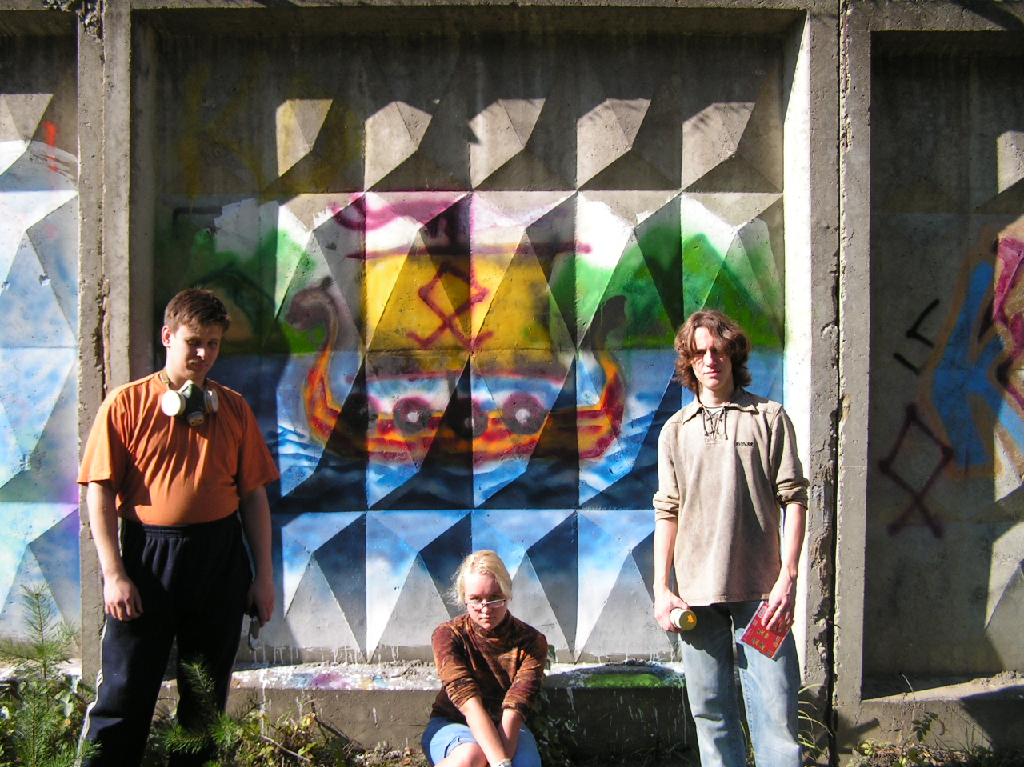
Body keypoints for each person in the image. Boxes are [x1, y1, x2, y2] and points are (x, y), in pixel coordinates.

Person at [78, 288, 279, 766]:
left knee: (204, 697)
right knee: (125, 690)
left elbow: (254, 497)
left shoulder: (233, 409)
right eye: (193, 341)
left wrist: (264, 577)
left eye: (213, 343)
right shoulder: (126, 404)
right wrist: (114, 574)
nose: (203, 353)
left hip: (219, 558)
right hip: (149, 559)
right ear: (167, 336)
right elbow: (98, 491)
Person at [652, 309, 808, 767]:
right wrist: (662, 587)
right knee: (711, 715)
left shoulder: (769, 417)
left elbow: (795, 498)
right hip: (695, 601)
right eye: (699, 352)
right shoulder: (675, 431)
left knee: (777, 715)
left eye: (718, 350)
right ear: (688, 361)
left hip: (763, 598)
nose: (710, 360)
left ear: (733, 354)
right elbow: (667, 511)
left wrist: (788, 577)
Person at [422, 550, 548, 767]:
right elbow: (468, 704)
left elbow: (515, 708)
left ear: (507, 594)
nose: (485, 608)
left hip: (506, 725)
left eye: (494, 598)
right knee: (471, 756)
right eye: (476, 599)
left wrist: (501, 761)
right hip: (453, 722)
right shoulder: (448, 635)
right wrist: (499, 762)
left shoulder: (531, 642)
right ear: (464, 598)